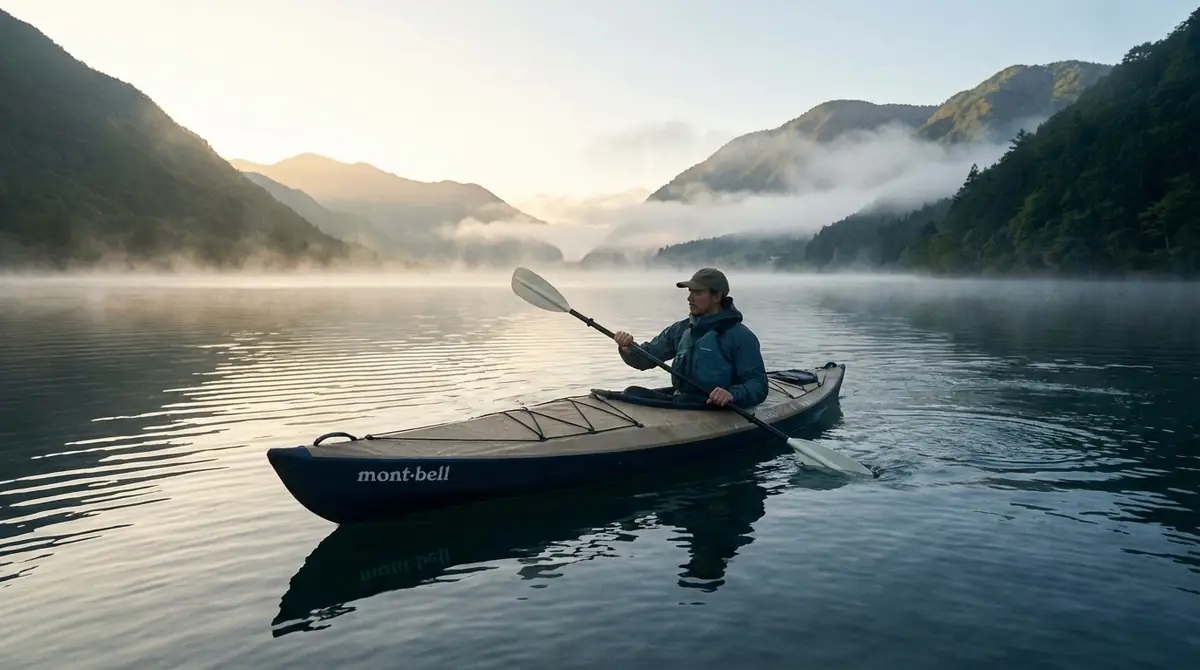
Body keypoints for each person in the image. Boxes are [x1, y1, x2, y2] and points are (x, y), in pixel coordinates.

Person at [613, 268, 769, 408]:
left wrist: (732, 394)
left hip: (715, 408)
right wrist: (629, 349)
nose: (690, 298)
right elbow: (647, 357)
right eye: (690, 291)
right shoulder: (681, 329)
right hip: (683, 402)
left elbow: (758, 385)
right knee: (632, 392)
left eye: (698, 292)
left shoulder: (740, 336)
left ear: (717, 296)